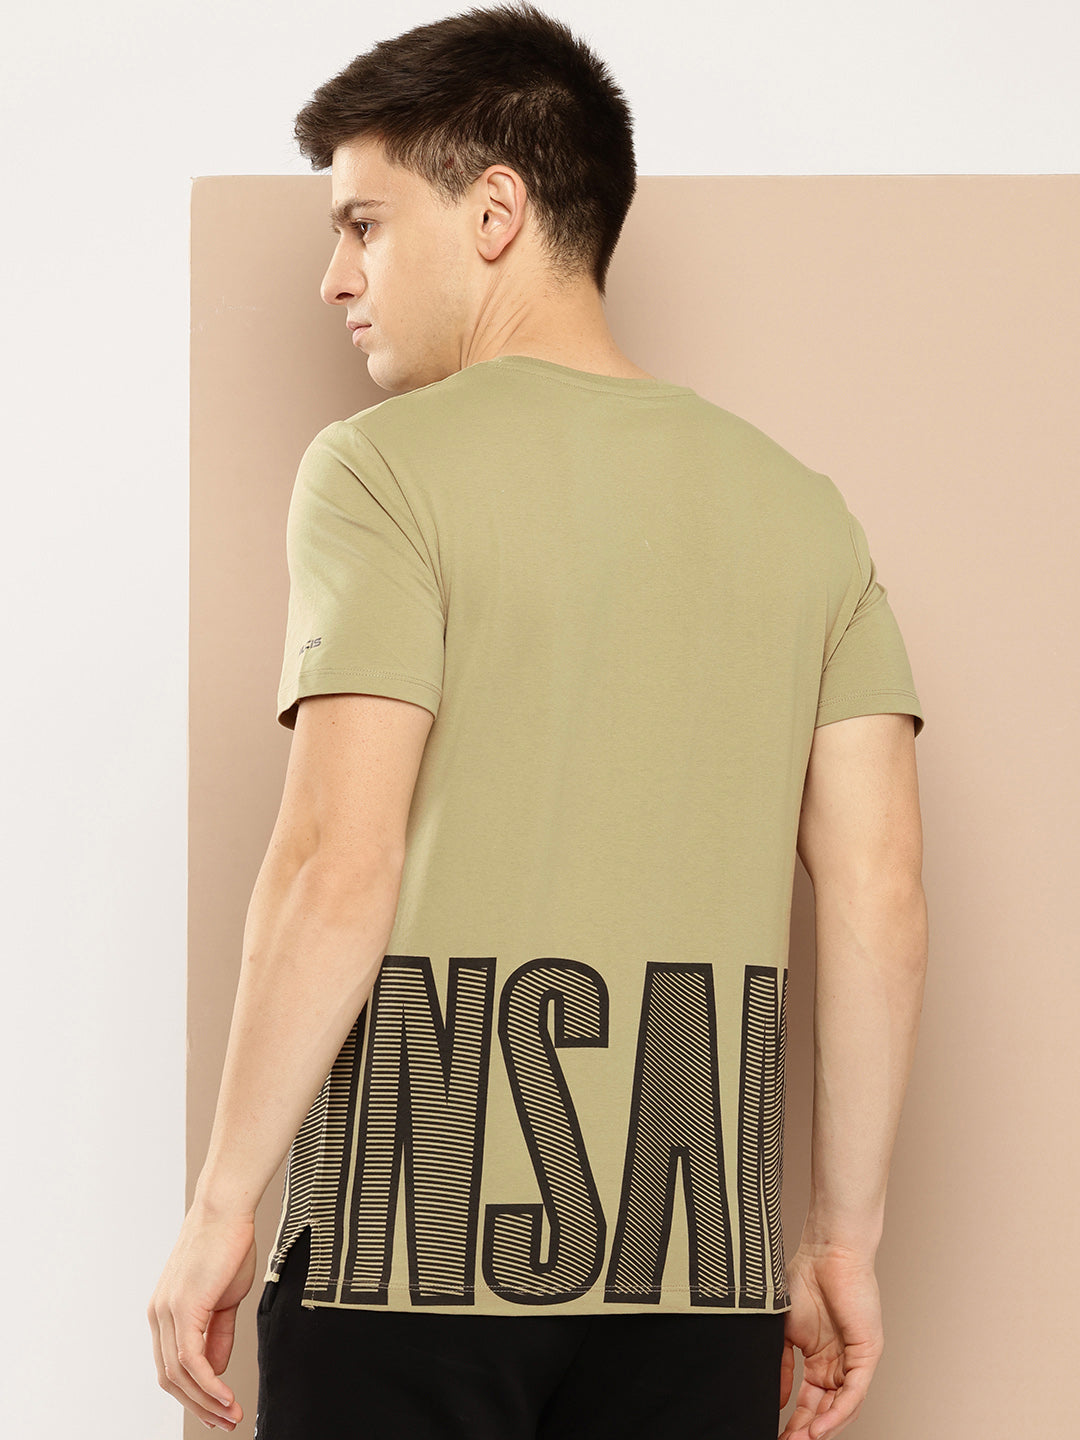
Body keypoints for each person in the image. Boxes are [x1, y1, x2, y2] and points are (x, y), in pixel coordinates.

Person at [147, 4, 929, 1438]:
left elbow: (334, 864)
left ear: (495, 211)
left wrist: (220, 1206)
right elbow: (879, 891)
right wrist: (843, 1242)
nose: (336, 278)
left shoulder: (379, 471)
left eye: (365, 224)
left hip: (407, 1249)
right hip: (697, 1269)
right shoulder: (804, 512)